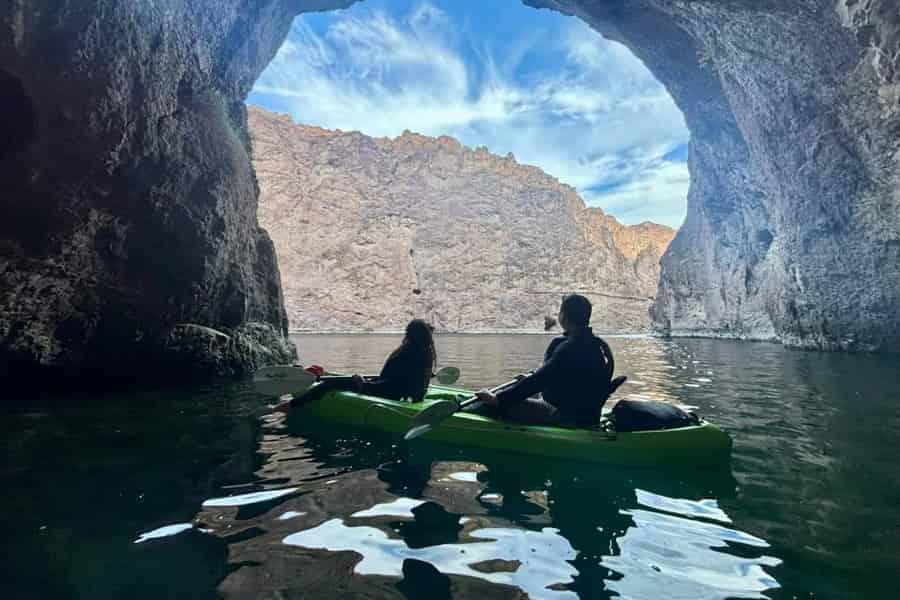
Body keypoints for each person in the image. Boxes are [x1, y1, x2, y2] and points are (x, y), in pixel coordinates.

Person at [474, 294, 615, 427]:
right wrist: (527, 382)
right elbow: (573, 380)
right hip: (590, 416)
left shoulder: (569, 346)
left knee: (492, 406)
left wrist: (498, 399)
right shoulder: (599, 344)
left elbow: (539, 381)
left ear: (563, 316)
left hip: (567, 416)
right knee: (518, 390)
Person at [278, 319, 437, 411]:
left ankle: (290, 406)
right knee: (345, 380)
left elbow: (393, 386)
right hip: (403, 393)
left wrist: (363, 384)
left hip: (387, 393)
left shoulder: (408, 352)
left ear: (410, 334)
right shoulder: (426, 353)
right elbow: (402, 380)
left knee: (328, 385)